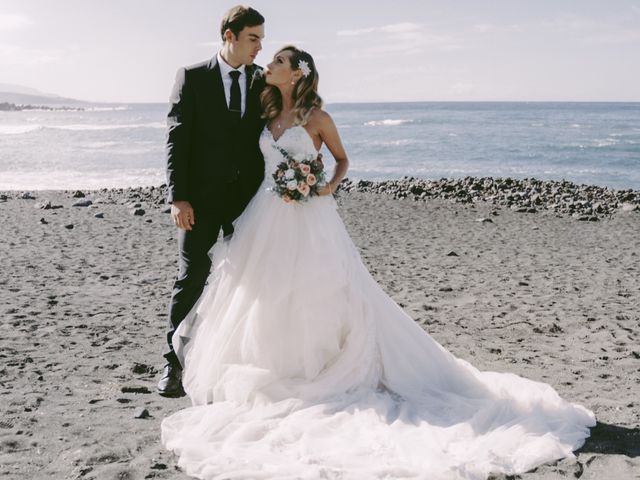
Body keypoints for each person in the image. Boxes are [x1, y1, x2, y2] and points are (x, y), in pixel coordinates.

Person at [161, 46, 595, 479]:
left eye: (278, 62)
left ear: (296, 74)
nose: (267, 65)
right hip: (265, 213)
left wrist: (324, 185)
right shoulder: (266, 107)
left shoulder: (317, 118)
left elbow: (343, 160)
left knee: (317, 288)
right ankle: (268, 366)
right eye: (269, 57)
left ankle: (318, 368)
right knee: (260, 289)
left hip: (309, 217)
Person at [157, 5, 267, 397]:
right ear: (230, 36)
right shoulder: (192, 77)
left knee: (248, 277)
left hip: (248, 202)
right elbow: (177, 140)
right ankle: (173, 363)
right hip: (199, 201)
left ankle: (237, 359)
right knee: (192, 275)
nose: (259, 47)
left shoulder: (262, 80)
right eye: (253, 38)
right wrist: (178, 198)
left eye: (261, 39)